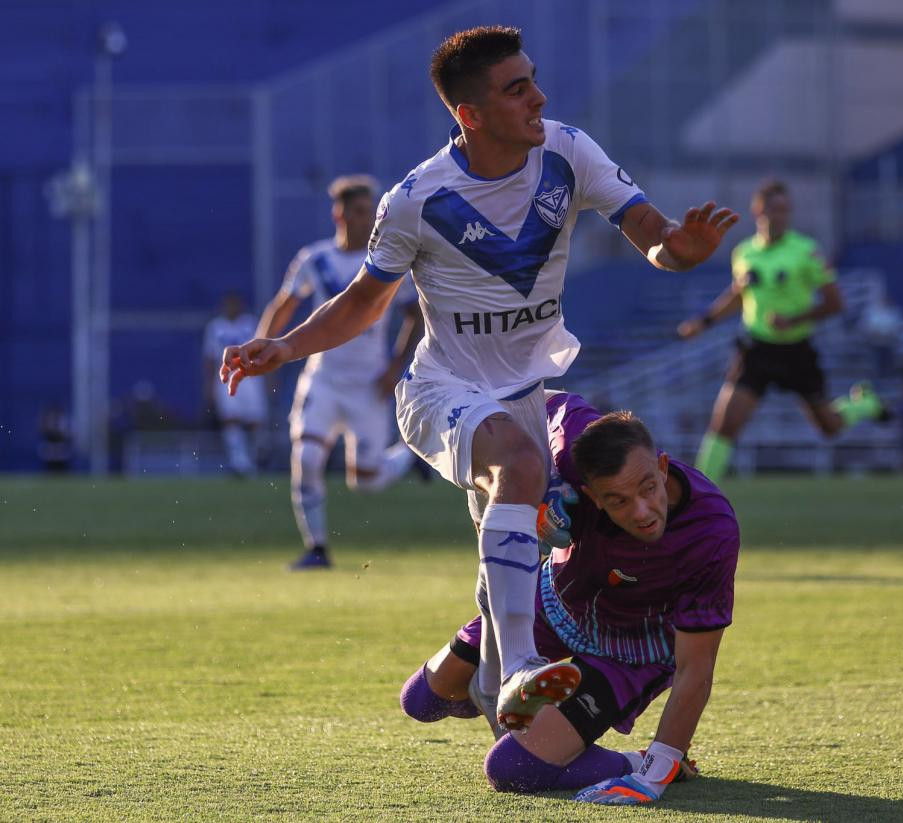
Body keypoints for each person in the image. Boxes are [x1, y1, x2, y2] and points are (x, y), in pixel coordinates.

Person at [221, 26, 739, 730]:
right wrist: (282, 346)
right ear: (470, 113)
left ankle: (477, 687)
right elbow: (364, 304)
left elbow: (653, 233)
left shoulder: (569, 151)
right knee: (523, 470)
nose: (539, 97)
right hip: (440, 391)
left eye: (533, 79)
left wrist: (680, 250)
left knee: (512, 565)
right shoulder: (416, 199)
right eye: (517, 88)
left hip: (524, 395)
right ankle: (522, 664)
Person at [398, 391, 738, 806]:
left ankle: (634, 761)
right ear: (593, 495)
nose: (644, 511)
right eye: (619, 501)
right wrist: (549, 480)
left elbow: (696, 668)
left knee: (511, 770)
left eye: (650, 488)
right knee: (423, 701)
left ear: (662, 466)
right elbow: (538, 397)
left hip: (630, 651)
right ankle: (547, 712)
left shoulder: (711, 530)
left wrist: (655, 775)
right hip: (553, 601)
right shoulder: (575, 440)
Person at [254, 175, 424, 570]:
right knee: (308, 456)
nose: (368, 219)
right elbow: (284, 304)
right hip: (324, 380)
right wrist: (263, 345)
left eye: (371, 211)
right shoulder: (315, 259)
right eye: (360, 211)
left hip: (368, 384)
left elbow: (415, 317)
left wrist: (396, 367)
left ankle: (410, 459)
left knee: (366, 482)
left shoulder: (385, 261)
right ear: (339, 213)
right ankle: (317, 549)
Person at [677, 179, 887, 483]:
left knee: (828, 426)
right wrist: (705, 321)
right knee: (723, 426)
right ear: (757, 211)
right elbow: (739, 294)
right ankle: (699, 499)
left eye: (786, 210)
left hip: (796, 350)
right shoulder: (744, 253)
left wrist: (795, 320)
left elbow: (834, 303)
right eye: (775, 209)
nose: (781, 216)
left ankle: (864, 404)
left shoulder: (806, 251)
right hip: (756, 349)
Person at [203, 292, 267, 477]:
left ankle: (257, 460)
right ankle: (239, 462)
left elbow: (263, 350)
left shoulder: (251, 324)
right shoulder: (215, 327)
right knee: (231, 419)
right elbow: (209, 358)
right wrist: (208, 386)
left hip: (251, 376)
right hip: (226, 376)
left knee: (255, 421)